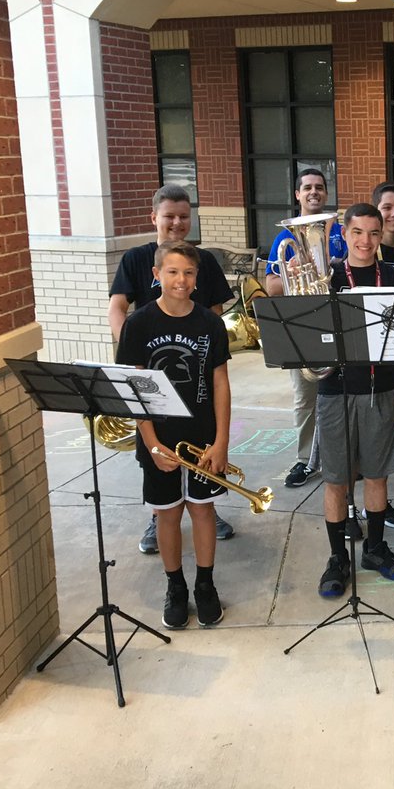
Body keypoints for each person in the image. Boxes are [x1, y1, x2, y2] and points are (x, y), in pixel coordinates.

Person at [107, 183, 236, 554]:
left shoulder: (203, 260)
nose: (177, 223)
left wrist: (203, 351)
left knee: (201, 448)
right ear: (154, 218)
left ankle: (204, 503)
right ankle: (159, 515)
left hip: (195, 371)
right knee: (158, 455)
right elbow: (117, 307)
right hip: (152, 374)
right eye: (169, 216)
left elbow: (214, 311)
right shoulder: (136, 258)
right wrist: (134, 352)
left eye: (183, 216)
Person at [116, 240, 231, 628]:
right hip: (159, 438)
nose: (181, 280)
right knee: (167, 515)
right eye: (173, 272)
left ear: (197, 277)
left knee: (202, 509)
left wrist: (221, 441)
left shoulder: (210, 324)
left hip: (202, 435)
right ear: (156, 275)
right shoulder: (138, 323)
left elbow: (220, 383)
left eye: (189, 273)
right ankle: (176, 587)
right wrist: (152, 444)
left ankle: (205, 585)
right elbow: (133, 389)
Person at [316, 203, 394, 598]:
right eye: (357, 232)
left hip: (381, 389)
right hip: (334, 391)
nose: (366, 240)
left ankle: (374, 549)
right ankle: (337, 557)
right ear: (344, 234)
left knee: (377, 475)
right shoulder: (326, 277)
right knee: (336, 480)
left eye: (374, 233)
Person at [263, 167, 345, 491]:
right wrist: (294, 271)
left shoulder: (341, 232)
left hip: (338, 322)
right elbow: (271, 287)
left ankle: (342, 457)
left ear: (326, 193)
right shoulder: (284, 238)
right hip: (302, 325)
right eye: (307, 187)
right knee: (305, 396)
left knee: (343, 395)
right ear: (298, 194)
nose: (314, 192)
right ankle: (305, 459)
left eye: (319, 187)